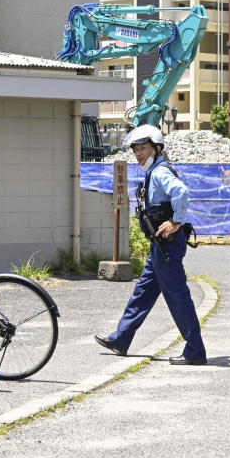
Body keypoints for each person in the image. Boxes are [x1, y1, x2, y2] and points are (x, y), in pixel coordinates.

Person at [95, 124, 207, 365]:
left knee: (178, 297)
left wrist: (176, 222)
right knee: (142, 294)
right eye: (135, 149)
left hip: (167, 245)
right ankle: (120, 339)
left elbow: (182, 193)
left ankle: (195, 350)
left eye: (143, 148)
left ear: (157, 148)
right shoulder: (155, 171)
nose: (138, 154)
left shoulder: (159, 173)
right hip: (159, 246)